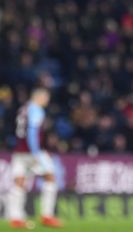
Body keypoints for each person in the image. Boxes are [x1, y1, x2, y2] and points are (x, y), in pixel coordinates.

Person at [6, 88, 62, 229]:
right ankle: (47, 215)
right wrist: (36, 153)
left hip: (19, 151)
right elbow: (32, 131)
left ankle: (16, 218)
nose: (47, 101)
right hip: (32, 152)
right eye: (46, 98)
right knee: (50, 177)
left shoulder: (23, 109)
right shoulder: (36, 110)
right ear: (40, 97)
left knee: (19, 182)